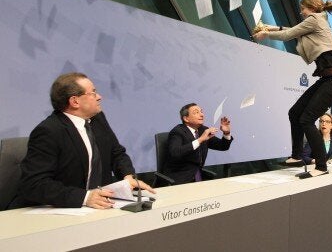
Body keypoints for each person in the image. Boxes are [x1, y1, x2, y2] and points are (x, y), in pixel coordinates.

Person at [12, 72, 154, 209]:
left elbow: (117, 153)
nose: (99, 97)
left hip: (101, 207)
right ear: (75, 101)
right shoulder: (49, 131)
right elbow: (34, 184)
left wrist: (127, 176)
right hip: (60, 211)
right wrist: (85, 197)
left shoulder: (97, 119)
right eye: (93, 93)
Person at [253, 0, 332, 179]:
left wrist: (266, 34)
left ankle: (321, 166)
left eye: (302, 8)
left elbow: (290, 34)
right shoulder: (316, 20)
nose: (300, 11)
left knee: (306, 118)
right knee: (295, 112)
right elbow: (294, 30)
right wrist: (272, 27)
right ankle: (297, 156)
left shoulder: (315, 18)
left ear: (311, 7)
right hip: (329, 78)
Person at [163, 103, 233, 185]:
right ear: (186, 118)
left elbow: (223, 146)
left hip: (199, 176)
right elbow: (175, 152)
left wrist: (226, 133)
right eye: (196, 112)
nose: (201, 115)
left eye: (201, 111)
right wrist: (200, 140)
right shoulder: (177, 131)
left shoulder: (203, 130)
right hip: (179, 178)